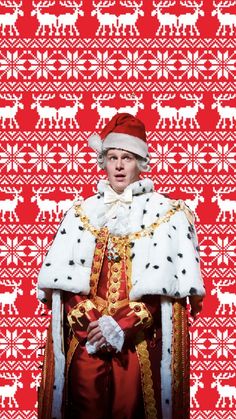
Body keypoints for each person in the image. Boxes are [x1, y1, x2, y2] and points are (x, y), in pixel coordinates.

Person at [37, 113, 205, 419]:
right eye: (112, 157)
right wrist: (93, 324)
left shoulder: (166, 215)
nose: (118, 165)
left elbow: (164, 289)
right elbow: (66, 284)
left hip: (137, 344)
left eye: (126, 158)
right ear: (103, 161)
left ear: (141, 163)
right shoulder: (80, 213)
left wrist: (121, 325)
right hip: (86, 340)